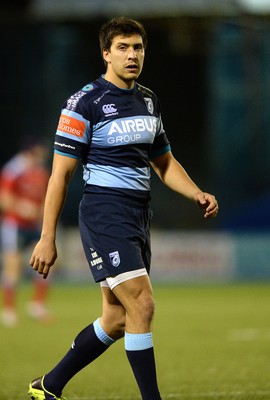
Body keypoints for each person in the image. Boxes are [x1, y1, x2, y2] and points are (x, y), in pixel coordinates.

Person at [27, 16, 219, 400]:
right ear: (106, 54)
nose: (132, 55)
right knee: (143, 303)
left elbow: (163, 161)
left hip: (137, 214)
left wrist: (196, 192)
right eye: (123, 48)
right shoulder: (84, 103)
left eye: (138, 47)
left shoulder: (148, 100)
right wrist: (47, 237)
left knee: (116, 319)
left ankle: (49, 385)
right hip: (104, 212)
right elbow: (59, 176)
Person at [0, 137, 51, 327]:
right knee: (13, 267)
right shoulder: (14, 169)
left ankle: (37, 305)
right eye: (39, 153)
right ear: (30, 152)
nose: (42, 157)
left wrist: (43, 213)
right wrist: (22, 208)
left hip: (35, 225)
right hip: (15, 225)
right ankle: (9, 310)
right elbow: (4, 199)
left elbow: (47, 196)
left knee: (46, 263)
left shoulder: (41, 171)